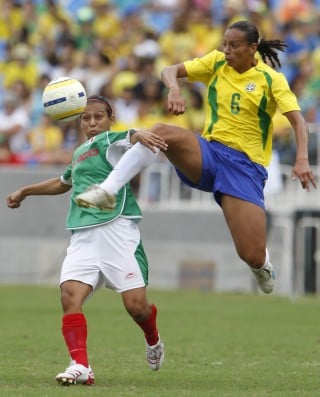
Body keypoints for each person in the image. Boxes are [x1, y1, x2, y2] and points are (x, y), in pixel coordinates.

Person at [75, 20, 317, 295]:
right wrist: (174, 89)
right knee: (161, 131)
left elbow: (297, 121)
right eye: (225, 44)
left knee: (250, 254)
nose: (226, 50)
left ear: (252, 48)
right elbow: (169, 70)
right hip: (210, 153)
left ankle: (263, 265)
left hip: (244, 168)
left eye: (234, 45)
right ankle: (108, 189)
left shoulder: (271, 80)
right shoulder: (215, 63)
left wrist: (302, 159)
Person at [6, 95, 167, 386]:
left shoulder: (112, 142)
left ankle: (153, 339)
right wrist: (25, 190)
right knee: (69, 295)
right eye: (86, 118)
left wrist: (136, 133)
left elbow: (129, 140)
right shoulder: (80, 151)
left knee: (136, 307)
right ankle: (80, 365)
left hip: (117, 231)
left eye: (98, 117)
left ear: (110, 119)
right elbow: (62, 183)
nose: (92, 123)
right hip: (83, 236)